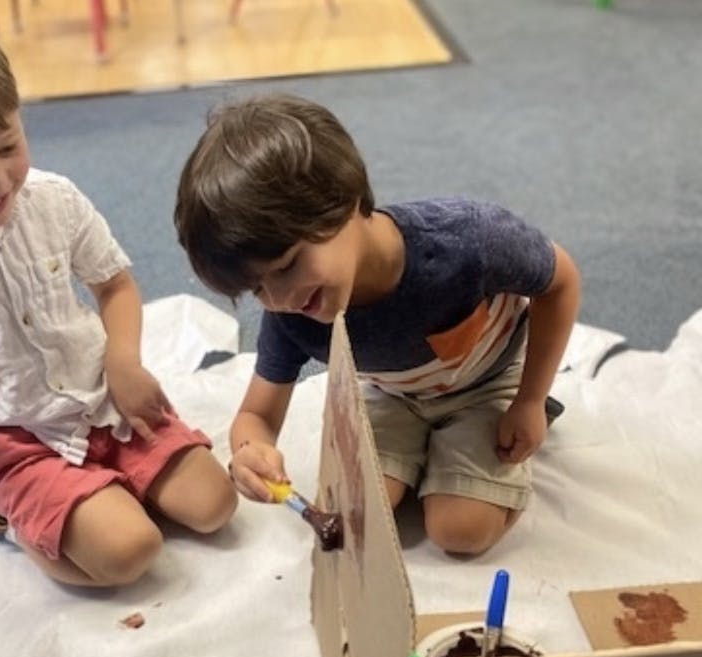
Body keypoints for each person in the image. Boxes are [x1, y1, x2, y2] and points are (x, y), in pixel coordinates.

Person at [0, 0, 236, 587]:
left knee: (215, 506)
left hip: (104, 401)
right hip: (14, 436)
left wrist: (124, 361)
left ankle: (99, 496)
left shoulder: (53, 199)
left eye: (7, 147)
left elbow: (115, 285)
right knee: (129, 554)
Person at [175, 93, 581, 557]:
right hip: (392, 394)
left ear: (343, 199)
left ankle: (468, 452)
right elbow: (257, 415)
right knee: (355, 516)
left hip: (489, 381)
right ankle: (431, 455)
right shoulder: (290, 314)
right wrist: (249, 449)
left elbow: (561, 281)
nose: (281, 299)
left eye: (287, 266)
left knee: (460, 531)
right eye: (257, 289)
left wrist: (529, 400)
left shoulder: (469, 242)